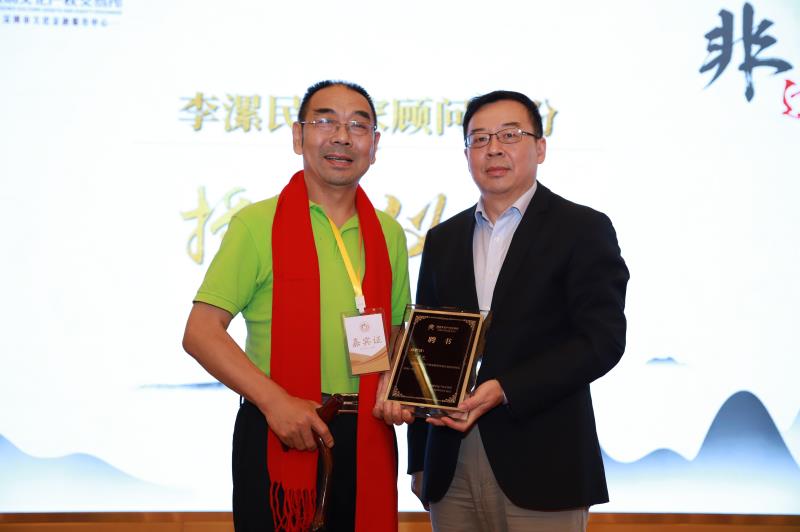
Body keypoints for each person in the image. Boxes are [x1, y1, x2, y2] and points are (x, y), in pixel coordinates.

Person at [183, 80, 411, 532]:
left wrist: (396, 385)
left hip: (367, 434)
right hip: (279, 427)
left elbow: (396, 331)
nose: (342, 136)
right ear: (297, 136)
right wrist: (276, 402)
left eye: (358, 126)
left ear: (374, 145)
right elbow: (200, 332)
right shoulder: (257, 224)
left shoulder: (388, 233)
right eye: (325, 121)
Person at [397, 90, 629, 531]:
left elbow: (601, 341)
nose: (494, 149)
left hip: (543, 459)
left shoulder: (582, 228)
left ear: (540, 147)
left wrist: (505, 388)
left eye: (509, 135)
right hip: (450, 463)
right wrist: (419, 459)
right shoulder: (443, 240)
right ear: (466, 153)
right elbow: (425, 346)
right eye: (480, 139)